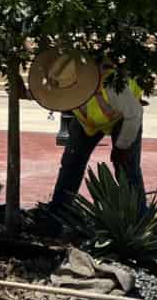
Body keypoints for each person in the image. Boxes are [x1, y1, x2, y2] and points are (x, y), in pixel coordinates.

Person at [49, 61, 146, 208]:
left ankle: (138, 216)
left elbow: (134, 114)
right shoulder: (63, 82)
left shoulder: (112, 85)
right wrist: (23, 92)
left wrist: (122, 147)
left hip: (124, 118)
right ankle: (57, 213)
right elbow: (44, 96)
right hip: (88, 121)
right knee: (71, 164)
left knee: (127, 167)